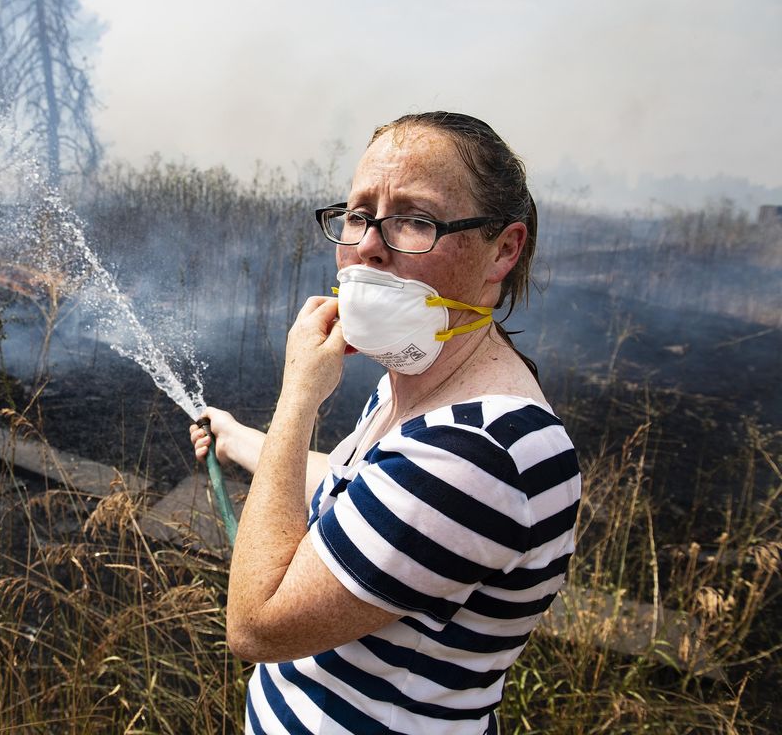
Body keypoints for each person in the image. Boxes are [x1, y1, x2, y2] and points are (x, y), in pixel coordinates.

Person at [190, 112, 580, 734]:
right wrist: (238, 440)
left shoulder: (478, 453)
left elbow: (256, 625)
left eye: (415, 220)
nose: (369, 245)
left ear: (503, 249)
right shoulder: (422, 391)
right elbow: (363, 492)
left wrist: (297, 400)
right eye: (357, 214)